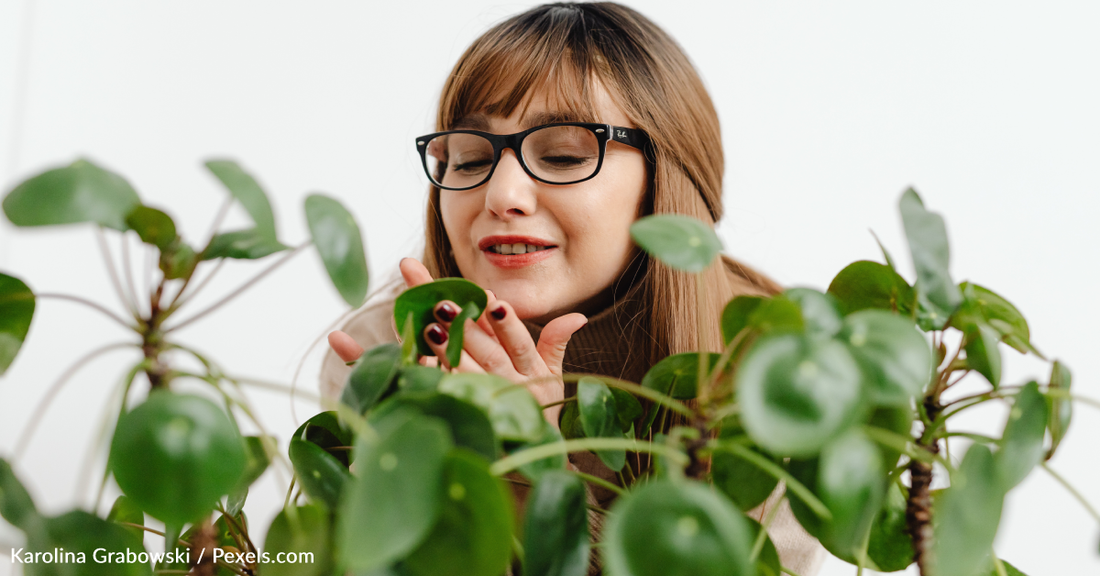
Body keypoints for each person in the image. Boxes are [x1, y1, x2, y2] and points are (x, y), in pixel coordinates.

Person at [321, 3, 824, 574]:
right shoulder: (385, 350)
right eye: (468, 158)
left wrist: (539, 476)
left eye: (562, 155)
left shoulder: (776, 379)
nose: (501, 194)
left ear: (666, 183)